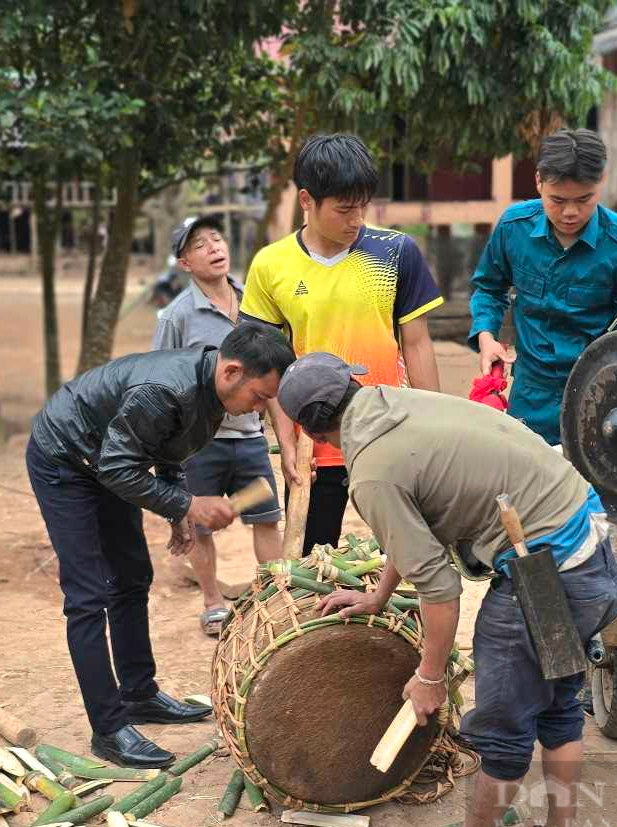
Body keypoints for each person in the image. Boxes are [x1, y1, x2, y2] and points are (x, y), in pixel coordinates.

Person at [278, 352, 617, 827]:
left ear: (310, 429)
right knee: (558, 712)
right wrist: (379, 593)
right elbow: (416, 528)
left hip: (543, 576)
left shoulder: (372, 472)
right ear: (352, 385)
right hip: (592, 555)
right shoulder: (399, 403)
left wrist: (430, 676)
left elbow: (440, 589)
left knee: (503, 732)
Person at [27, 325, 295, 768]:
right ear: (231, 371)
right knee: (88, 595)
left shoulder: (212, 393)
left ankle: (138, 695)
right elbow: (118, 466)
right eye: (262, 397)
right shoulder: (163, 391)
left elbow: (168, 449)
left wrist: (178, 512)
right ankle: (109, 729)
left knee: (133, 577)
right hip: (66, 459)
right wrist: (189, 502)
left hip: (107, 459)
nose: (264, 410)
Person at [241, 133, 443, 553]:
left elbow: (418, 345)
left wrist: (433, 425)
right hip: (314, 440)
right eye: (344, 209)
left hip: (388, 429)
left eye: (363, 207)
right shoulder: (271, 265)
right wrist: (287, 438)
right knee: (312, 555)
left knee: (403, 554)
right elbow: (266, 363)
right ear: (306, 200)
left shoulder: (395, 252)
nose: (356, 220)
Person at [468, 128, 617, 445]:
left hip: (600, 397)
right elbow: (489, 287)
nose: (570, 212)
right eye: (557, 200)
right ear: (539, 181)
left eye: (584, 199)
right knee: (523, 484)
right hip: (529, 393)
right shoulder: (514, 228)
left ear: (602, 181)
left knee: (592, 489)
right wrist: (487, 338)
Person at [153, 215, 283, 634]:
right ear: (184, 263)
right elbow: (160, 380)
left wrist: (288, 445)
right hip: (199, 443)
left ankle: (275, 598)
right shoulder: (175, 317)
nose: (213, 247)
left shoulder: (256, 304)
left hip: (250, 439)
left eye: (217, 238)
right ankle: (212, 602)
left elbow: (275, 377)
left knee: (266, 519)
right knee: (200, 526)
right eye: (199, 245)